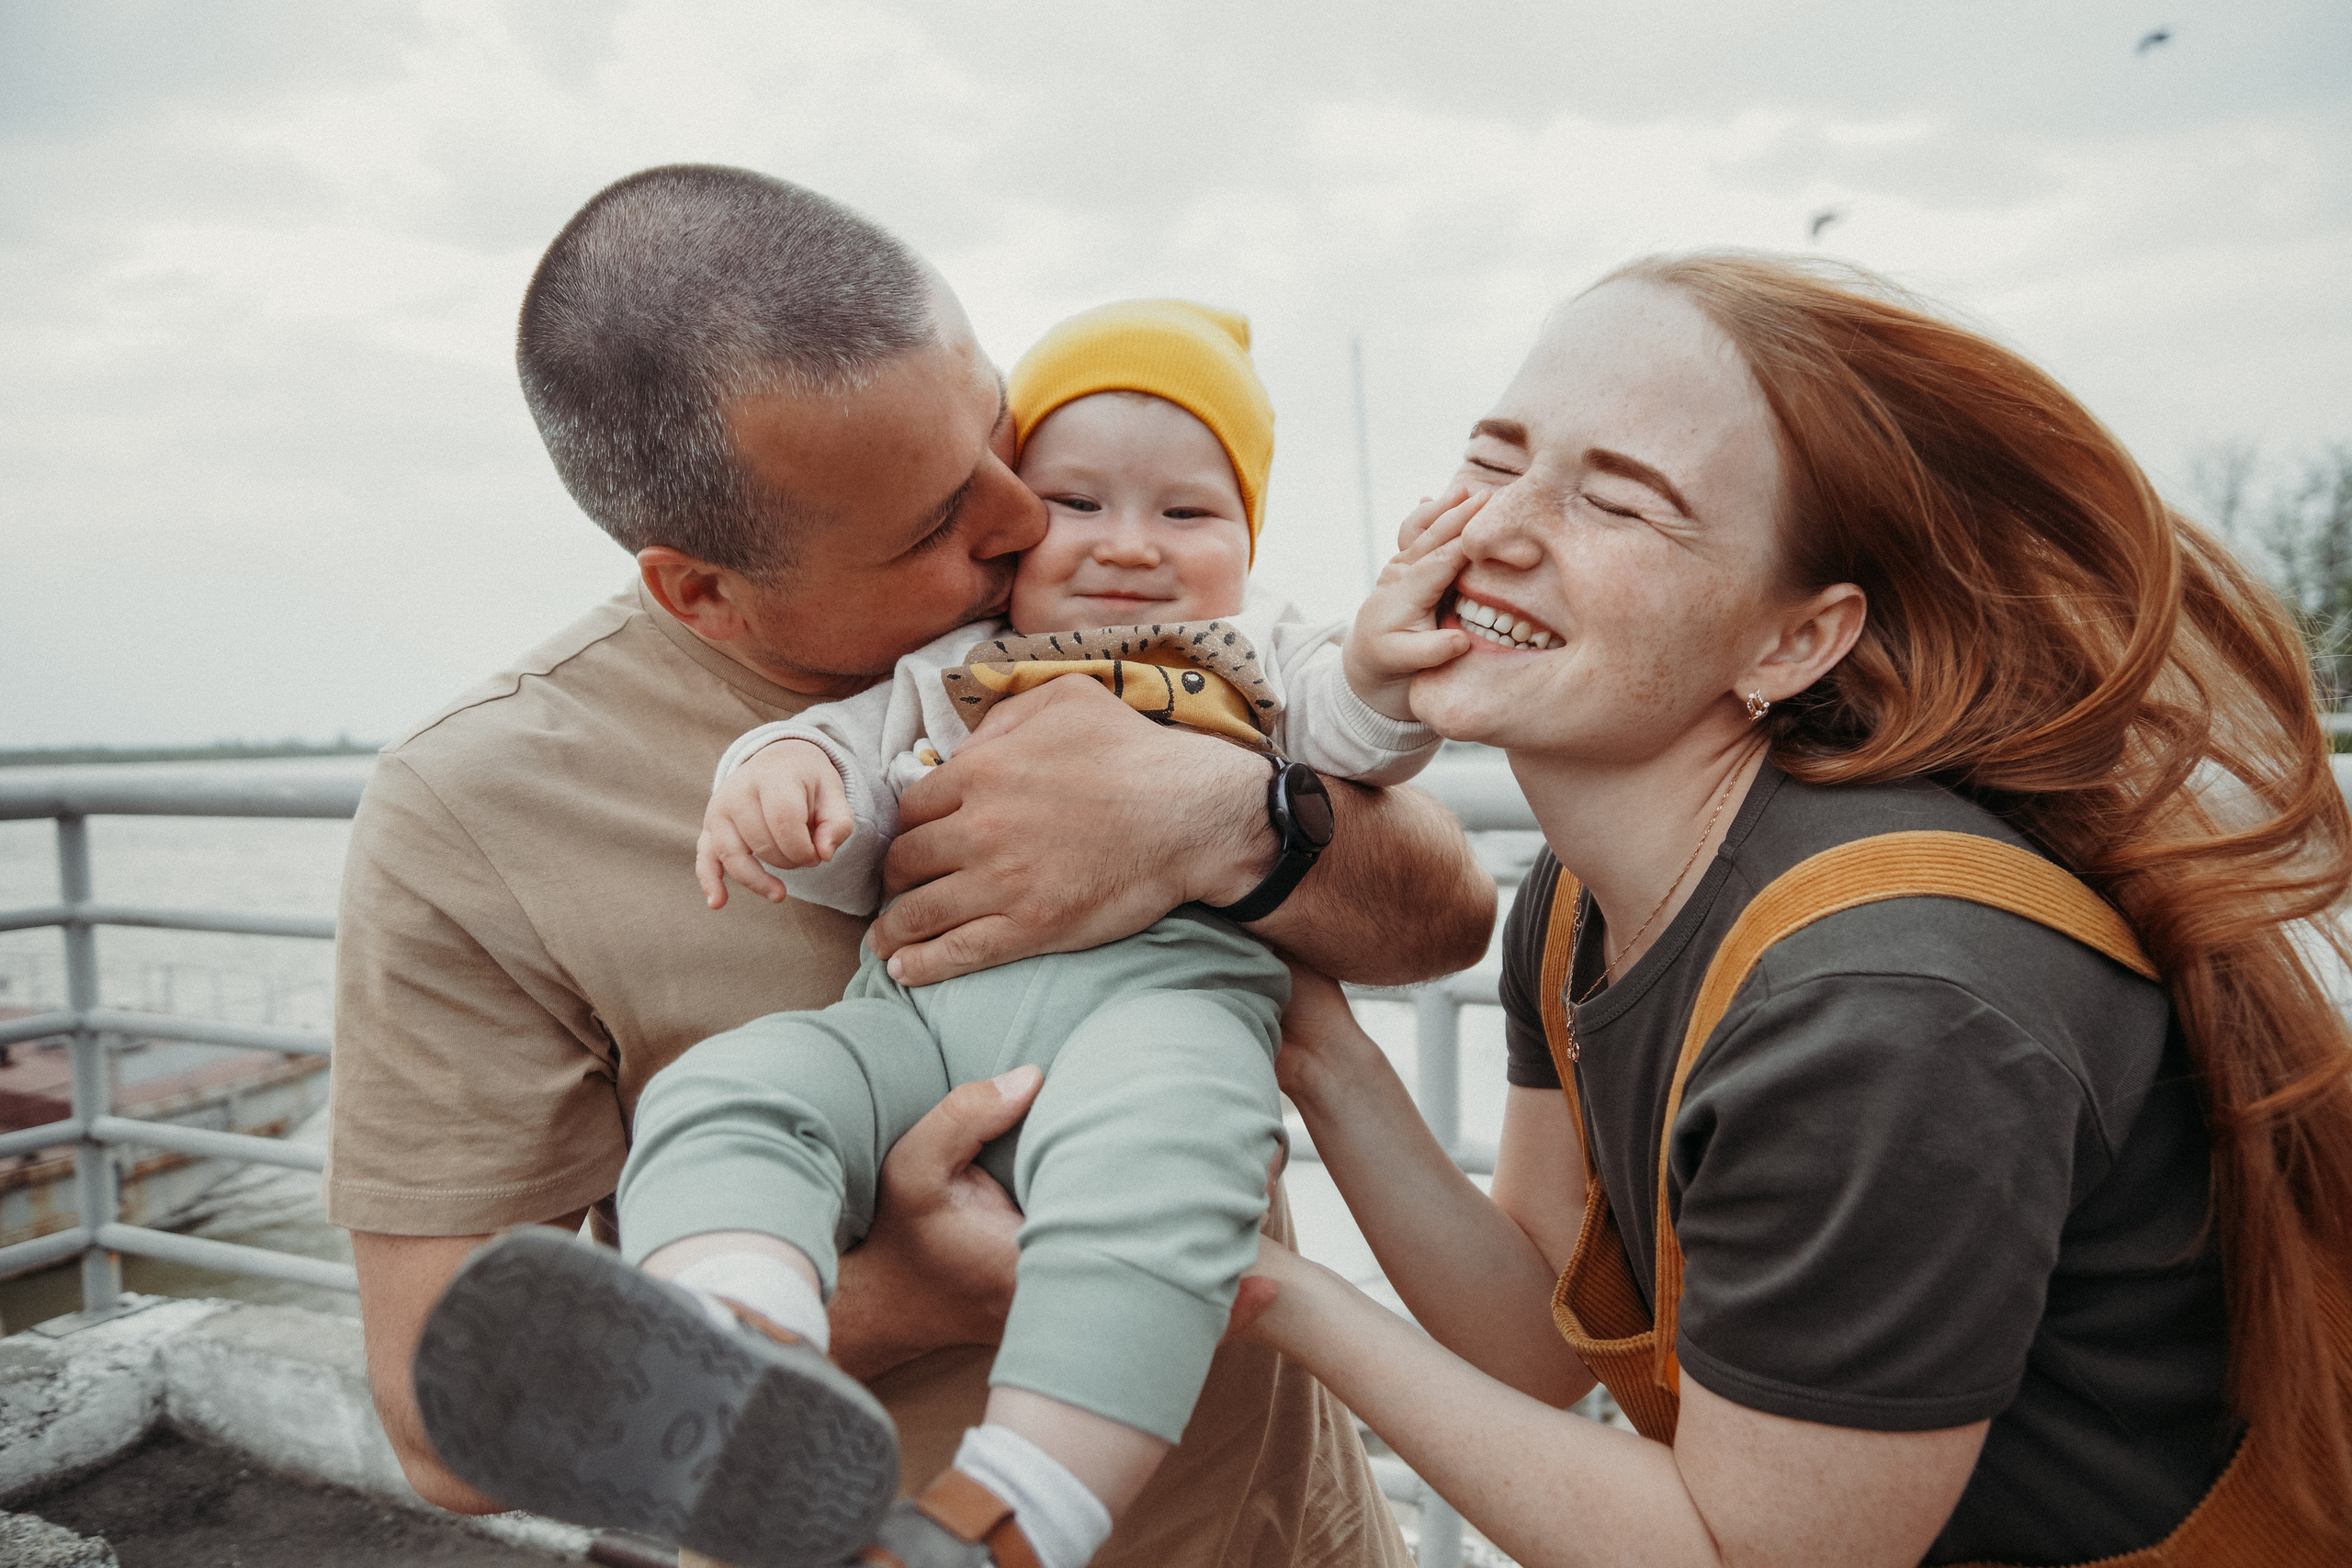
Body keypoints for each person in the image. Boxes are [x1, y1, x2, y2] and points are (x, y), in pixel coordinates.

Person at [325, 164, 1493, 1568]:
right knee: (739, 1106)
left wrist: (1226, 817)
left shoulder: (1115, 606)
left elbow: (1446, 917)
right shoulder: (477, 812)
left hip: (1281, 1534)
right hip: (871, 1531)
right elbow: (436, 1422)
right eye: (940, 520)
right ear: (697, 588)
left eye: (1002, 434)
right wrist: (915, 1293)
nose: (1025, 524)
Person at [1227, 254, 2352, 1565]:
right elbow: (1535, 1328)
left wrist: (1257, 1288)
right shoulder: (1583, 894)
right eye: (1494, 455)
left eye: (1620, 503)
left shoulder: (1885, 1011)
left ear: (1793, 643)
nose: (1500, 528)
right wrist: (1314, 1041)